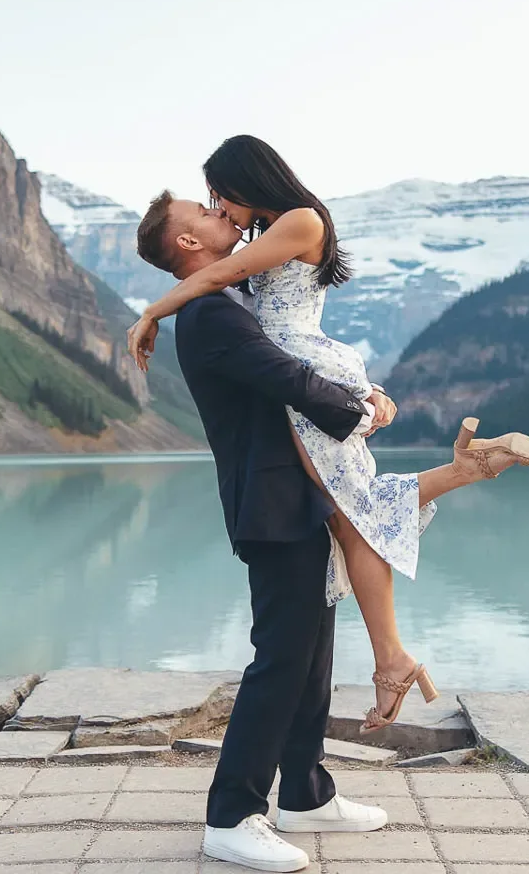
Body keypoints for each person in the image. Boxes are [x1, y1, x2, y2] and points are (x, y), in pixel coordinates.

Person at [129, 135, 529, 736]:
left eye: (219, 194)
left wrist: (149, 313)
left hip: (309, 374)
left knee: (355, 513)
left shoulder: (299, 221)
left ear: (248, 179)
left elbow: (221, 272)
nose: (218, 207)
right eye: (208, 205)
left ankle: (393, 655)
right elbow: (227, 281)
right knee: (353, 513)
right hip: (310, 371)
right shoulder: (276, 231)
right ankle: (465, 479)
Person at [136, 195, 390, 871]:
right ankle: (230, 814)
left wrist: (367, 395)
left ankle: (305, 793)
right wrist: (359, 410)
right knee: (280, 658)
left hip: (298, 496)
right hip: (272, 503)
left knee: (312, 656)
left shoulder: (230, 298)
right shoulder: (212, 313)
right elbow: (287, 377)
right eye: (207, 210)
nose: (226, 213)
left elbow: (298, 351)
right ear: (189, 242)